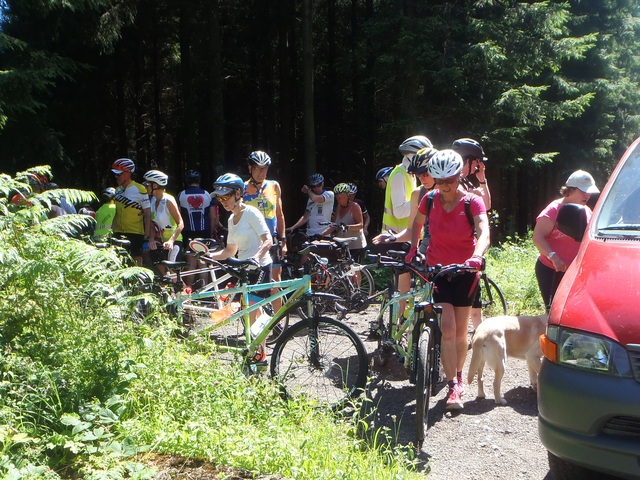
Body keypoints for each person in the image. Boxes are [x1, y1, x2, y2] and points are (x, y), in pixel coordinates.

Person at [411, 150, 490, 409]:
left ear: (458, 177)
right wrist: (414, 248)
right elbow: (418, 223)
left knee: (460, 331)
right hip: (439, 270)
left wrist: (477, 255)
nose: (446, 186)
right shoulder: (429, 200)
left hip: (466, 271)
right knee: (448, 329)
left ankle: (458, 376)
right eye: (440, 180)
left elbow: (483, 230)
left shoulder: (471, 202)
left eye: (451, 180)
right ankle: (452, 384)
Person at [208, 173, 273, 360]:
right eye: (220, 198)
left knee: (254, 310)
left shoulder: (251, 213)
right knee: (248, 311)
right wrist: (208, 255)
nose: (223, 202)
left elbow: (268, 240)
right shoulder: (230, 219)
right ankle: (256, 350)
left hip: (260, 267)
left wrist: (256, 258)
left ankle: (261, 354)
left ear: (238, 193)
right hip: (245, 269)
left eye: (226, 196)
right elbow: (229, 251)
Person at [533, 169, 599, 312]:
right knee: (555, 312)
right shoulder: (554, 209)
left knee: (575, 312)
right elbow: (537, 237)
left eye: (589, 192)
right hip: (552, 270)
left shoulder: (586, 211)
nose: (588, 195)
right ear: (571, 190)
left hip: (574, 272)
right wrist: (554, 257)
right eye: (583, 191)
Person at [452, 138, 491, 331]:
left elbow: (487, 204)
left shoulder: (465, 182)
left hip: (469, 248)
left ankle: (479, 336)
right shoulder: (452, 183)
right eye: (476, 162)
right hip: (459, 248)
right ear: (467, 161)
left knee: (474, 303)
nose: (478, 165)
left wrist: (482, 179)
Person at [243, 150, 287, 311]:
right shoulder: (242, 188)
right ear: (250, 168)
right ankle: (253, 322)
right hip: (251, 240)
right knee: (252, 282)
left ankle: (277, 321)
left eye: (265, 168)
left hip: (272, 239)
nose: (262, 172)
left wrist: (283, 241)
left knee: (276, 281)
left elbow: (279, 215)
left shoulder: (274, 186)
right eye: (258, 168)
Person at [381, 135, 432, 233]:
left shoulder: (410, 174)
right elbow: (399, 212)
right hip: (395, 238)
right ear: (412, 157)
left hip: (406, 237)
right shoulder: (399, 175)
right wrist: (421, 197)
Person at [177, 170, 219, 285]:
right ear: (199, 181)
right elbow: (213, 217)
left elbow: (178, 216)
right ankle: (205, 292)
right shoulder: (207, 194)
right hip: (204, 231)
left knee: (191, 264)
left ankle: (190, 293)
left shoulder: (181, 195)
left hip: (188, 232)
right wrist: (211, 233)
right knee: (203, 263)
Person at [111, 158, 153, 266]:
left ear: (127, 173)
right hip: (118, 232)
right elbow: (117, 214)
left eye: (118, 174)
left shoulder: (140, 189)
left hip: (135, 233)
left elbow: (147, 215)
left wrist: (146, 237)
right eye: (114, 174)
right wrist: (111, 232)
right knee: (119, 263)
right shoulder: (117, 190)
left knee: (136, 263)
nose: (116, 176)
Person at [143, 170, 184, 275]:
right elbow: (152, 225)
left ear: (155, 185)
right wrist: (151, 239)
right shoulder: (152, 200)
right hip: (160, 243)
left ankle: (186, 290)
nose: (145, 187)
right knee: (163, 275)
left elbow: (181, 223)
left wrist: (171, 241)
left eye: (147, 185)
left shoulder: (168, 200)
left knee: (173, 274)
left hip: (174, 242)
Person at [322, 183, 367, 260]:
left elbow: (360, 225)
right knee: (344, 268)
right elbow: (335, 225)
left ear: (347, 196)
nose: (339, 200)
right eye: (337, 198)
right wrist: (321, 234)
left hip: (355, 245)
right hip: (343, 245)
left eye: (341, 197)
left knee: (354, 269)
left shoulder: (355, 207)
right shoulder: (339, 207)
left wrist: (346, 227)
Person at [286, 173, 334, 237]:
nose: (316, 188)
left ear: (322, 183)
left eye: (318, 185)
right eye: (313, 186)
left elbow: (315, 198)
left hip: (324, 234)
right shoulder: (310, 199)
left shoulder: (329, 194)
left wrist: (308, 190)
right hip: (310, 234)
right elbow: (305, 217)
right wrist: (293, 227)